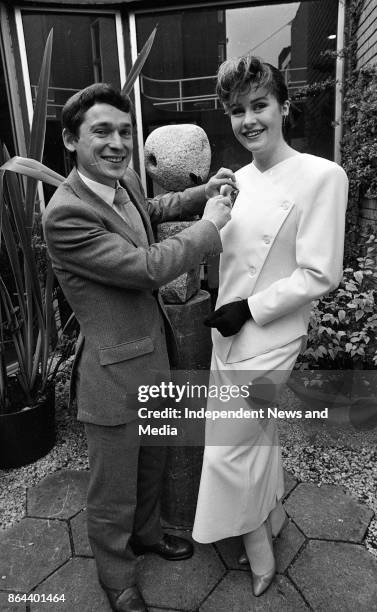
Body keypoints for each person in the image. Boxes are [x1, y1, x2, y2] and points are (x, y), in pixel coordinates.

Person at [42, 82, 237, 612]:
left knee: (153, 463)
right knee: (113, 489)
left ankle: (147, 535)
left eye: (125, 131)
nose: (117, 143)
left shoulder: (121, 179)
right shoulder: (65, 215)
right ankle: (116, 575)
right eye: (101, 131)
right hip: (111, 376)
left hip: (154, 353)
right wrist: (209, 227)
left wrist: (201, 193)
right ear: (70, 141)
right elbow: (144, 267)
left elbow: (147, 212)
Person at [192, 54, 348, 597]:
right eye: (237, 110)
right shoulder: (236, 181)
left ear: (284, 106)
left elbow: (320, 271)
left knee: (227, 450)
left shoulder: (323, 175)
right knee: (257, 437)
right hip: (225, 333)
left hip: (270, 338)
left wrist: (250, 310)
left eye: (259, 105)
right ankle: (274, 516)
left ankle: (259, 549)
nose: (248, 120)